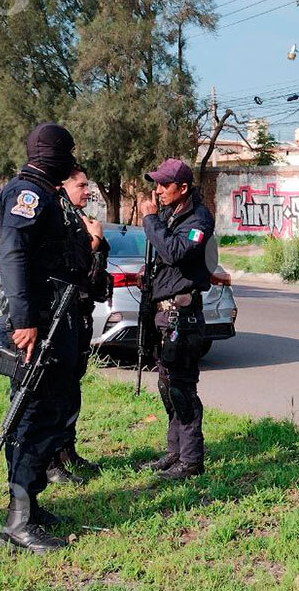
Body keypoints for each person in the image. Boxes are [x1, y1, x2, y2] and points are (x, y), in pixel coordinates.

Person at [0, 122, 90, 552]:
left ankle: (29, 504)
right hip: (35, 323)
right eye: (66, 152)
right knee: (36, 415)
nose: (71, 159)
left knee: (50, 411)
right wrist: (26, 320)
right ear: (51, 154)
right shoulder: (26, 195)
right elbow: (13, 255)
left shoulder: (48, 193)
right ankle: (19, 520)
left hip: (54, 318)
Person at [136, 158, 216, 481]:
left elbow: (175, 252)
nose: (157, 191)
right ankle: (175, 452)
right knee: (167, 385)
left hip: (184, 316)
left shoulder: (198, 218)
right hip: (163, 314)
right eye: (155, 184)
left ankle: (192, 460)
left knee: (183, 389)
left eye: (163, 185)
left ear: (182, 188)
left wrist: (150, 220)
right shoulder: (170, 214)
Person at [44, 165, 110, 486]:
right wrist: (94, 241)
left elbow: (96, 275)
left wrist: (98, 240)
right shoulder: (59, 217)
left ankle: (67, 450)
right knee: (56, 392)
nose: (88, 191)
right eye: (82, 185)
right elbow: (72, 265)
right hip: (59, 317)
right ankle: (51, 460)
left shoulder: (78, 218)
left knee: (72, 387)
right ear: (64, 187)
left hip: (79, 314)